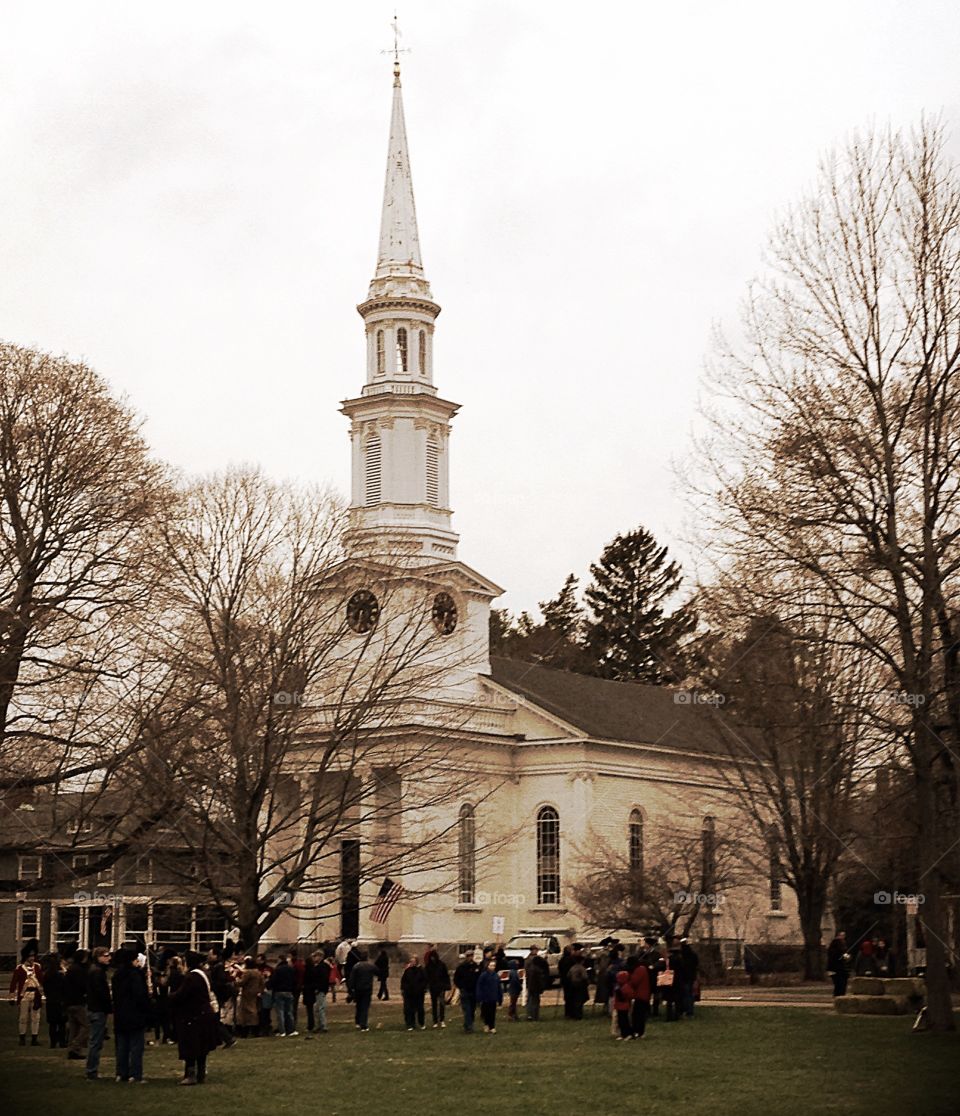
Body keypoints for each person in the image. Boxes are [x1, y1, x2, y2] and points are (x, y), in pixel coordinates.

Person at [171, 952, 220, 1085]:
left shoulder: (192, 977)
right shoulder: (204, 974)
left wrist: (170, 996)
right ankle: (201, 1073)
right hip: (204, 1013)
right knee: (202, 1047)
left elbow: (182, 995)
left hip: (193, 1015)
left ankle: (191, 1074)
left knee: (191, 1046)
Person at [112, 947, 151, 1083]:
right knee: (136, 1046)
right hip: (135, 1013)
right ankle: (135, 1074)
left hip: (121, 1013)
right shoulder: (135, 975)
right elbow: (139, 995)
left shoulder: (117, 975)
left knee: (122, 1045)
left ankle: (121, 1073)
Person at [84, 946, 112, 1079]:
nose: (109, 958)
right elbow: (101, 992)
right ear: (98, 957)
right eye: (106, 956)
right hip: (97, 1009)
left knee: (96, 1041)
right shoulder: (98, 972)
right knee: (96, 1042)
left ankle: (92, 1069)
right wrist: (109, 1005)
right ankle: (91, 1069)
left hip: (94, 1008)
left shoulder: (94, 970)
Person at [9, 940, 43, 1046]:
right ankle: (22, 1037)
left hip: (35, 994)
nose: (32, 958)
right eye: (30, 956)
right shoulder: (19, 968)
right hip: (24, 995)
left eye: (33, 955)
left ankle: (34, 1038)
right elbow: (14, 983)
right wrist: (11, 996)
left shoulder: (37, 967)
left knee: (36, 1017)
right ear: (26, 957)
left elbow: (41, 980)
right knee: (23, 1018)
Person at [64, 948, 90, 1060]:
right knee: (86, 1026)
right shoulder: (80, 970)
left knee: (74, 1027)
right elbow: (83, 985)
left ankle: (72, 1050)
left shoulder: (70, 969)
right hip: (78, 1001)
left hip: (69, 1001)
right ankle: (76, 1045)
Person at [41, 953, 67, 1048]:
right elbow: (65, 987)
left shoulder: (47, 975)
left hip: (51, 1001)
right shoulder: (60, 976)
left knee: (52, 1024)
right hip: (60, 1001)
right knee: (61, 1024)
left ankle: (53, 1043)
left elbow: (45, 989)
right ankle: (62, 1042)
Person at [347, 949, 377, 1031]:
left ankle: (358, 1022)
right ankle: (363, 1024)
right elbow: (378, 972)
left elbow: (352, 979)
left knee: (359, 1006)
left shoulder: (356, 966)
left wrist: (350, 989)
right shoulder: (370, 966)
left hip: (358, 989)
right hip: (367, 989)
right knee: (364, 1007)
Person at [268, 953, 298, 1036]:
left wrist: (270, 986)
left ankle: (282, 1030)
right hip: (288, 991)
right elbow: (294, 980)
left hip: (279, 991)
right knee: (289, 1011)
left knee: (280, 1012)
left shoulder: (278, 969)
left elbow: (274, 980)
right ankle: (291, 1029)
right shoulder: (291, 969)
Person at [236, 957, 264, 1038]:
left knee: (246, 1012)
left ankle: (245, 1031)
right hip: (255, 993)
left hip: (247, 993)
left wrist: (236, 980)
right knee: (254, 1010)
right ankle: (255, 1030)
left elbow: (241, 982)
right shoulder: (258, 972)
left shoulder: (248, 972)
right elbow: (262, 982)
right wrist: (260, 990)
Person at [453, 951, 480, 1033]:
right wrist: (461, 987)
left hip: (474, 991)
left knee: (472, 1010)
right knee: (467, 1010)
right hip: (465, 991)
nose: (470, 958)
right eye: (469, 956)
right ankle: (469, 1027)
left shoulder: (476, 966)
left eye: (472, 956)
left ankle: (468, 1024)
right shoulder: (461, 967)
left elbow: (478, 978)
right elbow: (456, 979)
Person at [424, 948, 451, 1028]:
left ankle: (442, 1020)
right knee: (434, 1004)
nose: (432, 959)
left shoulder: (442, 965)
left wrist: (447, 986)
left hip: (441, 987)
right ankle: (435, 1021)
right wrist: (427, 986)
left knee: (442, 1004)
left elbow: (446, 976)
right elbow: (426, 977)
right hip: (433, 987)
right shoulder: (428, 966)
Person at [475, 959, 503, 1033]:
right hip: (485, 997)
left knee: (492, 1012)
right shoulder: (483, 975)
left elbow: (498, 987)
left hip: (493, 997)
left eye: (494, 966)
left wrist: (500, 997)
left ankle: (492, 1026)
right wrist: (479, 997)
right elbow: (479, 986)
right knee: (486, 1012)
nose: (492, 967)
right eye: (491, 966)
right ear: (487, 966)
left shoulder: (496, 975)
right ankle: (486, 1024)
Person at [401, 955, 428, 1031]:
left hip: (419, 993)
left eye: (413, 961)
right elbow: (404, 981)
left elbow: (425, 981)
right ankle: (410, 1024)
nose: (412, 963)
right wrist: (404, 989)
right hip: (409, 993)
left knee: (420, 1009)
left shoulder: (421, 970)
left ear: (416, 962)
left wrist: (421, 988)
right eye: (411, 961)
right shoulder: (408, 971)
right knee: (409, 1009)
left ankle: (421, 1023)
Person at [523, 945, 549, 1022]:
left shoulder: (527, 959)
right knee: (534, 1000)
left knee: (530, 999)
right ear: (532, 950)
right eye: (536, 950)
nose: (537, 951)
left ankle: (530, 1015)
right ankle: (533, 1015)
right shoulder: (533, 960)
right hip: (533, 982)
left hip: (530, 982)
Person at [629, 954, 651, 1039]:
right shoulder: (643, 969)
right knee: (640, 1015)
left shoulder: (639, 970)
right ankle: (639, 1031)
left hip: (640, 996)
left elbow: (634, 982)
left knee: (638, 1015)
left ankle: (638, 1031)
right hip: (644, 995)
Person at [566, 947, 590, 1020]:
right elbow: (585, 976)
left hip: (573, 984)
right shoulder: (581, 968)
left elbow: (568, 976)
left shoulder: (572, 968)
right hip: (580, 985)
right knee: (580, 1000)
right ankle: (579, 1014)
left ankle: (574, 1014)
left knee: (575, 999)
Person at [613, 969, 635, 1039]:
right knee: (620, 1021)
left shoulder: (626, 987)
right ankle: (623, 1034)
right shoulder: (620, 986)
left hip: (624, 1007)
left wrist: (621, 993)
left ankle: (628, 1034)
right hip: (619, 1006)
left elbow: (630, 995)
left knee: (624, 1021)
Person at [680, 938, 699, 1017]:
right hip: (691, 976)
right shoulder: (693, 955)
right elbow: (696, 965)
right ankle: (690, 1011)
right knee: (690, 995)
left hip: (684, 977)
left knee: (685, 995)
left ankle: (685, 1010)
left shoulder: (682, 955)